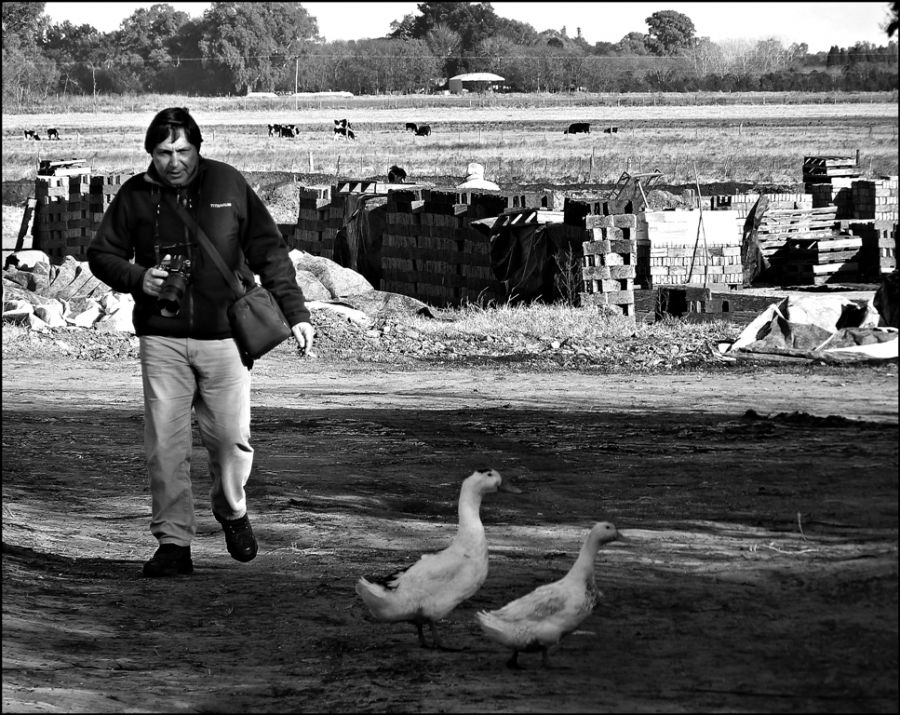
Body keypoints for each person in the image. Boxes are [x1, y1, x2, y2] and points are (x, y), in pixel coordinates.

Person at [87, 107, 315, 578]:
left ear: (199, 147)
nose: (175, 162)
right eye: (164, 152)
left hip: (226, 338)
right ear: (150, 152)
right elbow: (101, 254)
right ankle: (173, 542)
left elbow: (269, 251)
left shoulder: (228, 185)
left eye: (184, 151)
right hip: (161, 339)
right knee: (166, 447)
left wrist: (296, 313)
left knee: (231, 440)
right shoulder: (133, 196)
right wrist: (137, 277)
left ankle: (231, 510)